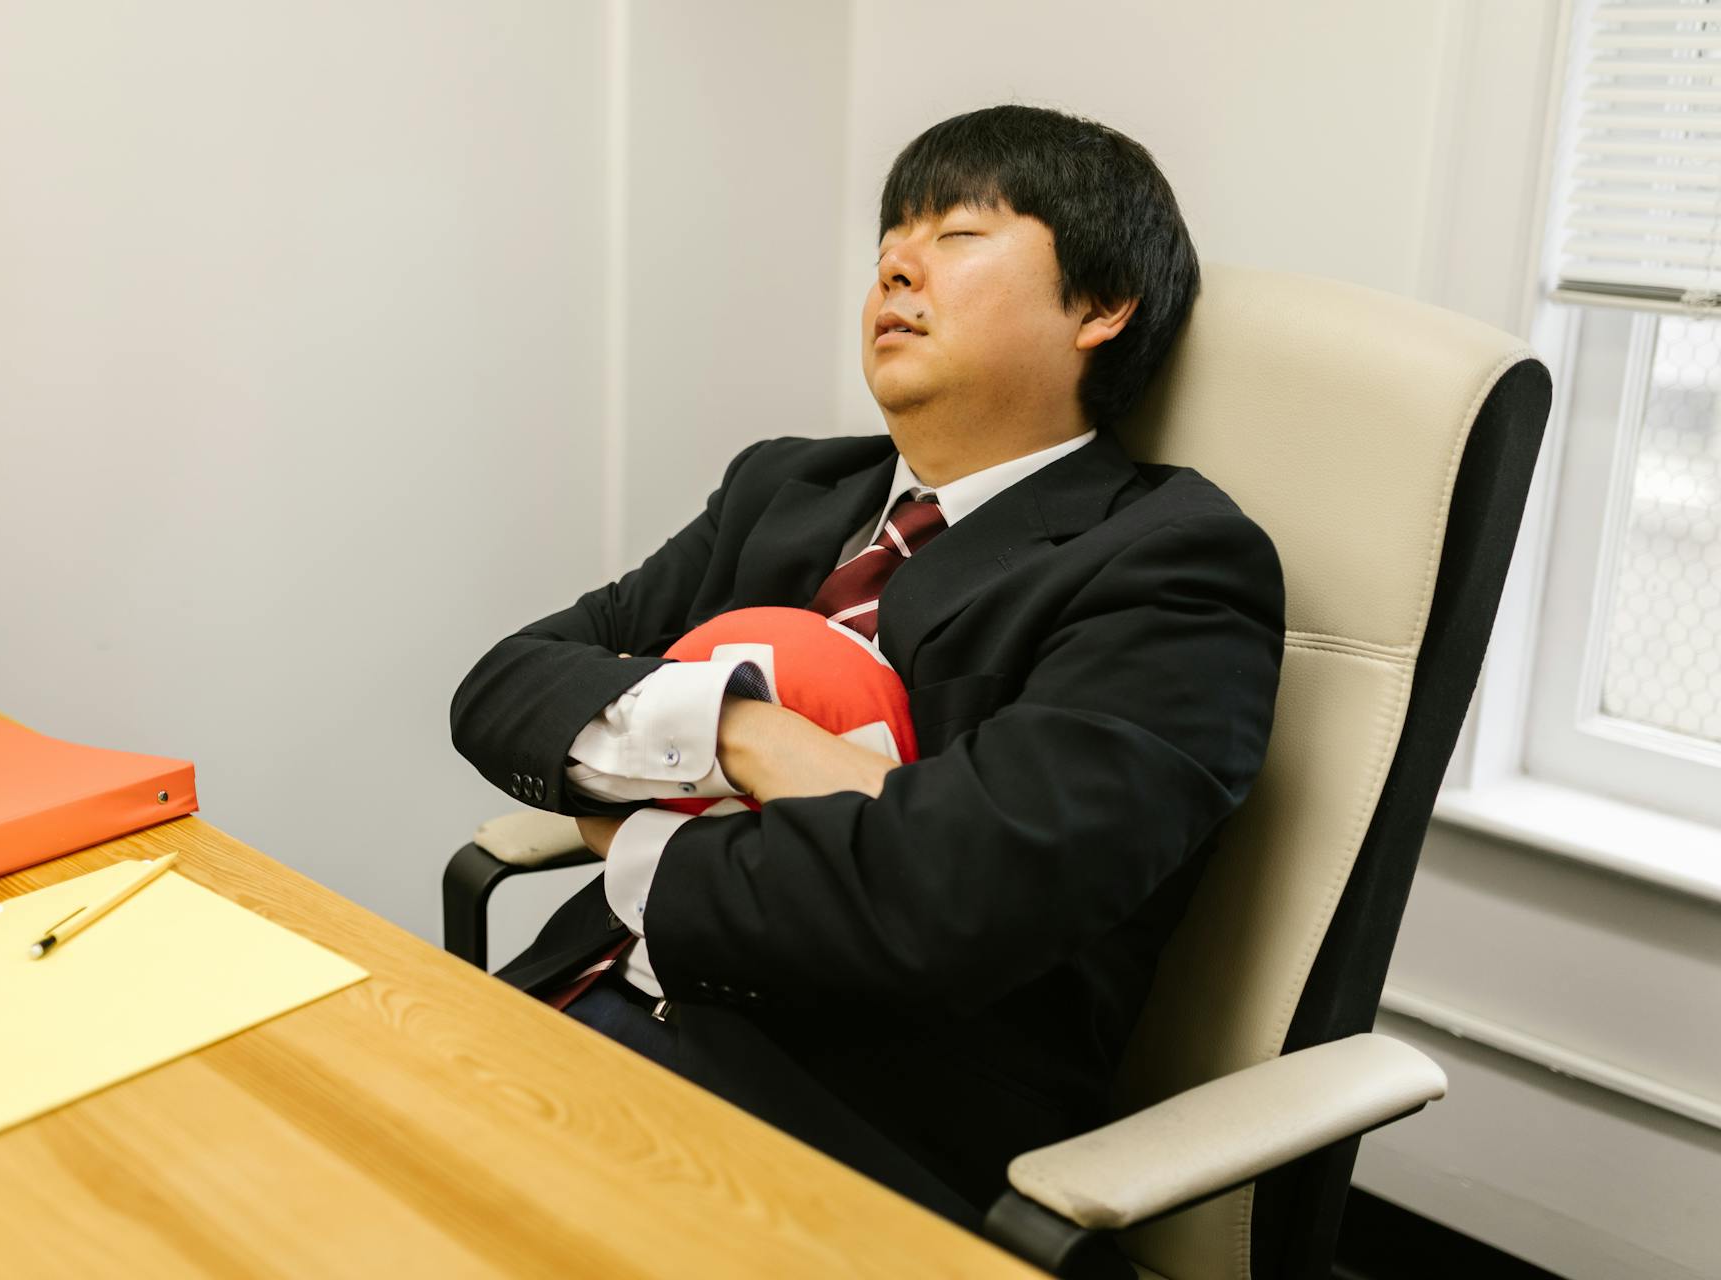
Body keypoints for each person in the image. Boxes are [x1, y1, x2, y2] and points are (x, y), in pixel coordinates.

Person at [449, 103, 1285, 1230]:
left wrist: (633, 834)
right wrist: (750, 735)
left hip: (838, 1116)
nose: (895, 260)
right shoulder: (787, 490)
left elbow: (950, 889)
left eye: (956, 235)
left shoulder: (1174, 564)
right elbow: (505, 683)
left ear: (1100, 304)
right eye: (892, 234)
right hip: (566, 1007)